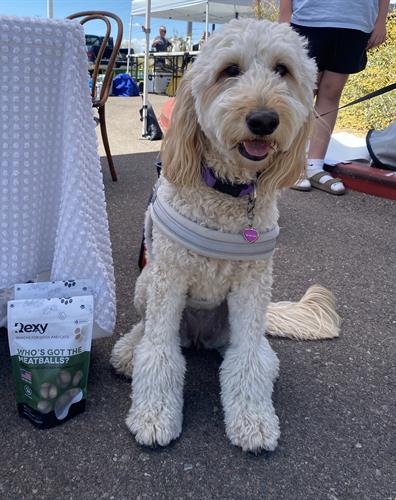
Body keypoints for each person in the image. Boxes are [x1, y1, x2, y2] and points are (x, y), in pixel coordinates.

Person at [279, 0, 390, 194]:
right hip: (310, 17)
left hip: (355, 21)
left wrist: (381, 20)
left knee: (331, 94)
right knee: (304, 94)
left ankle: (314, 165)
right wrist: (285, 17)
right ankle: (290, 163)